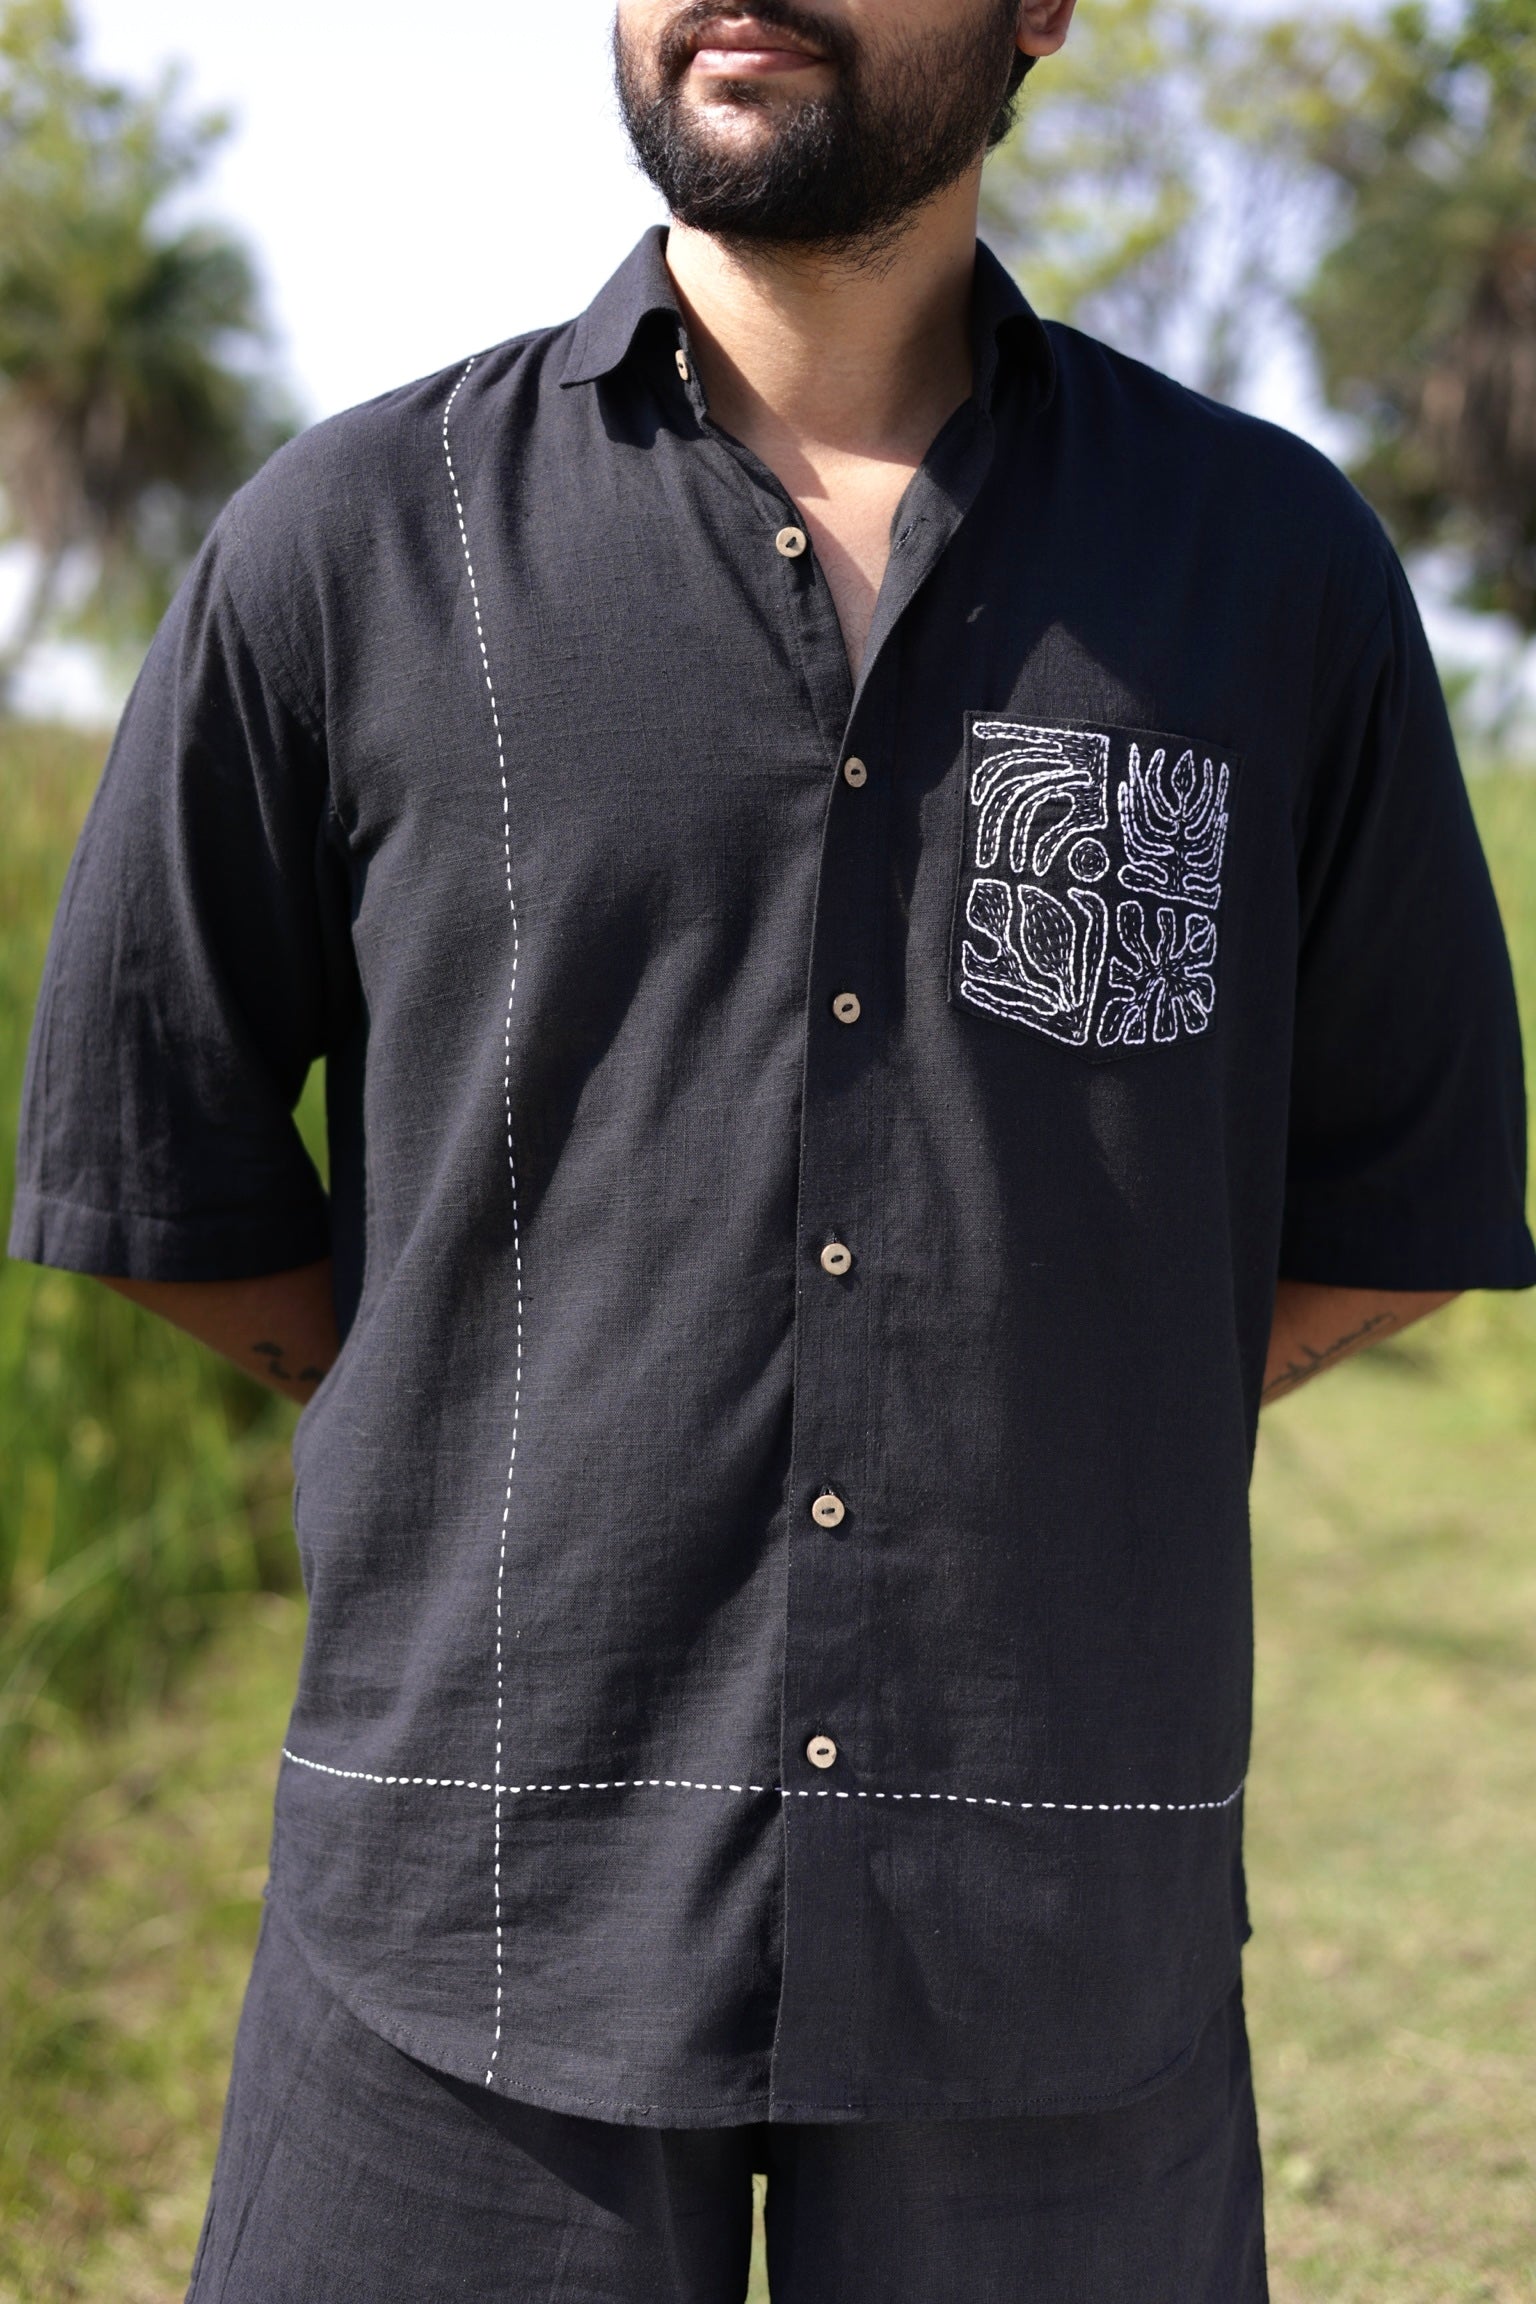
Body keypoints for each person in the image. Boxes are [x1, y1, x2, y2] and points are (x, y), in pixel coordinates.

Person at [11, 2, 1533, 2296]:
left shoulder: (1266, 571)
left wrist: (1055, 1407)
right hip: (463, 1906)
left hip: (1057, 1913)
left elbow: (1395, 1202)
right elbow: (161, 1176)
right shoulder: (354, 545)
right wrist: (494, 1416)